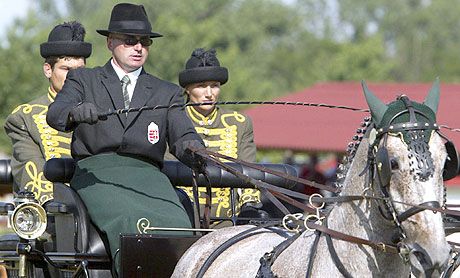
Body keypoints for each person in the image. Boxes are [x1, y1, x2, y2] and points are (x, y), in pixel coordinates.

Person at [46, 3, 205, 274]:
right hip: (98, 173)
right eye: (130, 41)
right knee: (133, 221)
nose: (139, 47)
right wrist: (75, 112)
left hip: (150, 177)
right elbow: (56, 114)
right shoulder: (85, 80)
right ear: (110, 42)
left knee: (178, 223)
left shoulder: (166, 92)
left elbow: (183, 138)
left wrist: (197, 152)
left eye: (145, 42)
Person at [4, 21, 92, 204]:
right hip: (55, 214)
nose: (73, 77)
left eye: (80, 71)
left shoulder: (102, 109)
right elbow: (33, 175)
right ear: (47, 70)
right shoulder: (24, 118)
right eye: (66, 69)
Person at [176, 48, 261, 224]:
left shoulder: (240, 122)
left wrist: (250, 206)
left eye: (214, 85)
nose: (209, 93)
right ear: (187, 89)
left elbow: (249, 169)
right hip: (181, 218)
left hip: (227, 222)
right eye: (201, 86)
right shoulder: (173, 119)